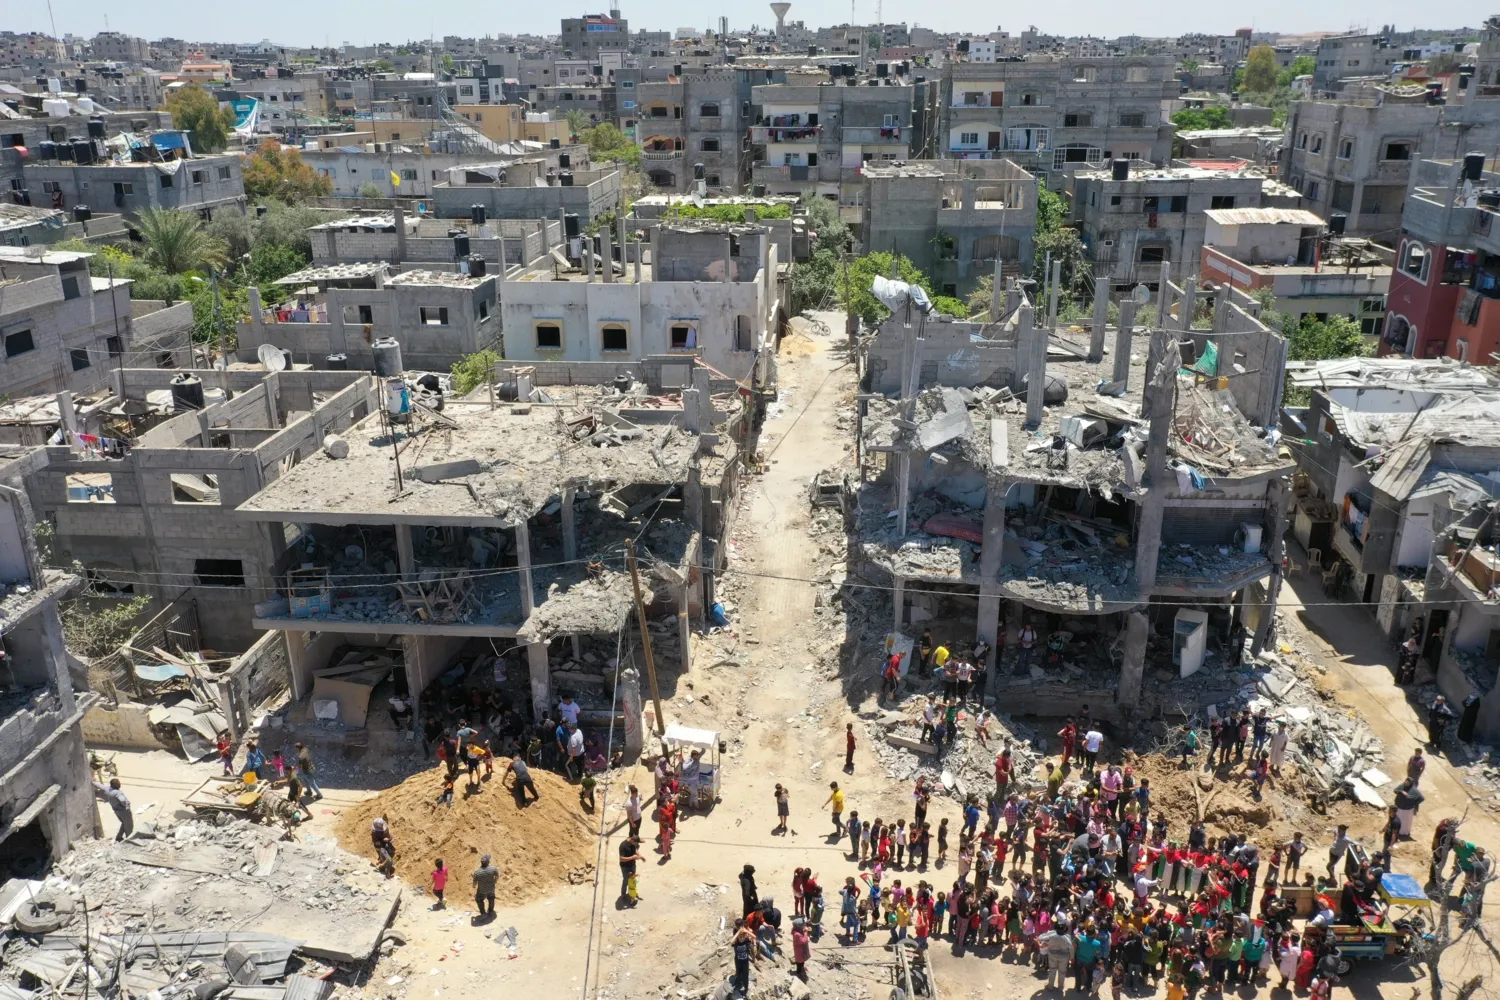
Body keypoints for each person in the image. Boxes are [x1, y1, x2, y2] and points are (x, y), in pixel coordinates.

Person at [93, 776, 133, 841]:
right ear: (116, 785)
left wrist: (93, 782)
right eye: (118, 783)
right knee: (129, 826)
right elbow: (122, 800)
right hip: (124, 811)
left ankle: (119, 837)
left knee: (124, 823)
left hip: (117, 811)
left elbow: (101, 786)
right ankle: (129, 839)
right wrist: (127, 805)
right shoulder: (117, 793)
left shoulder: (108, 789)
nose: (120, 784)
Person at [731, 918, 757, 996]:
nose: (742, 937)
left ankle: (746, 988)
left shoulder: (746, 941)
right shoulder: (736, 941)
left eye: (743, 935)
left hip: (745, 961)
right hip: (738, 960)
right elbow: (731, 941)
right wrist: (738, 932)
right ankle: (738, 985)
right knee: (738, 973)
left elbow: (754, 937)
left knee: (745, 975)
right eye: (740, 935)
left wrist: (746, 931)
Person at [619, 836, 644, 904]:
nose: (635, 844)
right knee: (626, 880)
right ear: (631, 840)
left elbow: (635, 850)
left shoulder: (633, 843)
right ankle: (623, 894)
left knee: (632, 880)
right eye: (634, 842)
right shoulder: (623, 846)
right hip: (625, 867)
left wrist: (640, 856)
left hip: (632, 865)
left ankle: (633, 893)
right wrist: (632, 857)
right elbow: (621, 858)